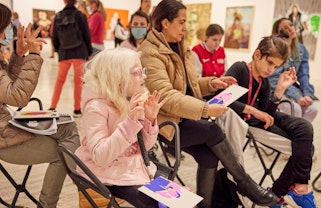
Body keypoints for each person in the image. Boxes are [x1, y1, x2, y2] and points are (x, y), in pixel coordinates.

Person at [139, 0, 278, 207]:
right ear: (165, 23)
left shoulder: (180, 46)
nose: (186, 27)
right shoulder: (150, 52)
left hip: (185, 117)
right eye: (182, 22)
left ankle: (207, 204)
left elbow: (191, 84)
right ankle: (245, 183)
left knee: (209, 157)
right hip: (166, 124)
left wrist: (213, 83)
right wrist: (205, 108)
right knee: (213, 130)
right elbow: (166, 96)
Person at [0, 3, 80, 208]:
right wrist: (34, 56)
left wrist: (19, 56)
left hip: (6, 125)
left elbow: (6, 85)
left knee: (69, 127)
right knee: (66, 152)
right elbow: (17, 96)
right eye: (5, 28)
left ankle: (84, 187)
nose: (7, 33)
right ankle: (50, 204)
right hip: (3, 138)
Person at [225, 35, 317, 208]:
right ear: (257, 55)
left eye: (276, 66)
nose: (271, 69)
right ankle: (279, 196)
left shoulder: (265, 82)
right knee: (306, 150)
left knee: (305, 130)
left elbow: (268, 114)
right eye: (270, 63)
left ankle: (294, 190)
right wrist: (254, 111)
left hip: (259, 121)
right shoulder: (239, 69)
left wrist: (280, 89)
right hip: (243, 123)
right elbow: (223, 100)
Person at [75, 47, 166, 208]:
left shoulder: (131, 99)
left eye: (142, 71)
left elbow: (144, 148)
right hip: (105, 174)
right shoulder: (96, 107)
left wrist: (150, 120)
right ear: (117, 77)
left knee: (182, 199)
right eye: (137, 72)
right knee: (158, 203)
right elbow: (101, 157)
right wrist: (130, 122)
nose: (143, 76)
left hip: (133, 168)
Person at [268, 17, 318, 122]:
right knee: (295, 109)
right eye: (285, 28)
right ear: (278, 32)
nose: (290, 29)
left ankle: (299, 135)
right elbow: (275, 78)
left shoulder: (301, 49)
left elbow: (304, 75)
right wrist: (297, 96)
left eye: (291, 25)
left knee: (313, 109)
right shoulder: (276, 49)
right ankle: (292, 134)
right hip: (275, 88)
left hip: (292, 87)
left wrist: (307, 95)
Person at [50, 0, 92, 117]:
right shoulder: (80, 16)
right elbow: (87, 35)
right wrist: (89, 51)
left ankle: (52, 107)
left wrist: (60, 50)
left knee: (59, 81)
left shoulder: (58, 16)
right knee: (78, 82)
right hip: (79, 51)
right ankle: (77, 109)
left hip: (64, 53)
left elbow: (54, 37)